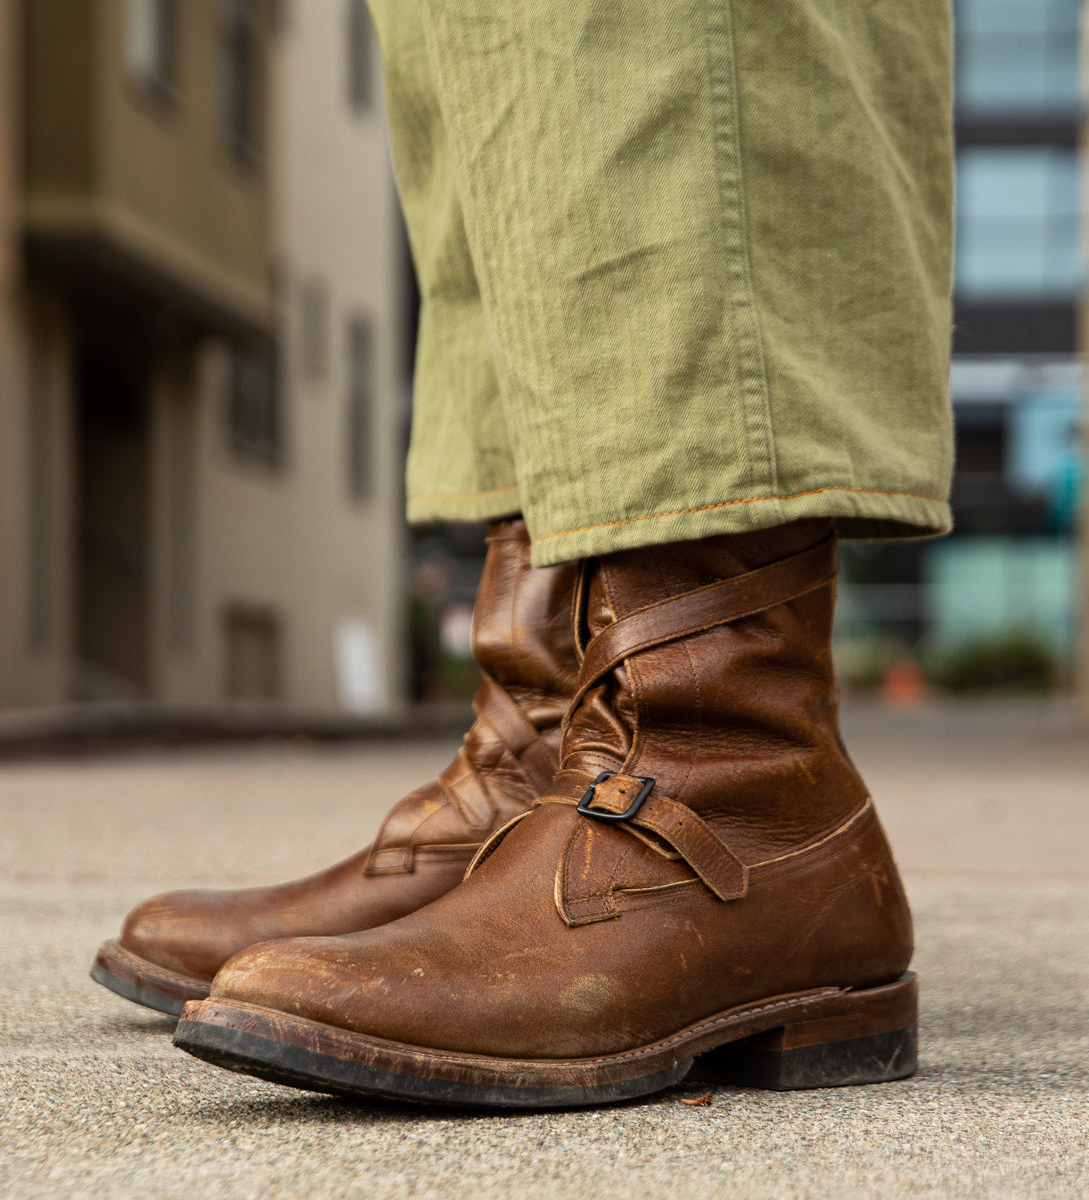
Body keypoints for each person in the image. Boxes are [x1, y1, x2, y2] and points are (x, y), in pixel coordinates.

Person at [94, 0, 953, 1108]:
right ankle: (539, 767)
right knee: (494, 79)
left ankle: (727, 798)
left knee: (644, 47)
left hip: (717, 834)